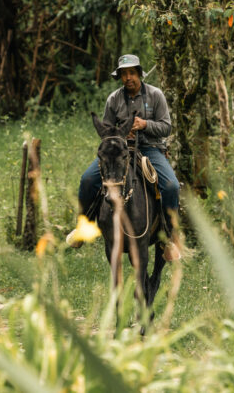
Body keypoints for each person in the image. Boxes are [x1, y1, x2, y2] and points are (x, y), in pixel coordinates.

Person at [66, 54, 181, 261]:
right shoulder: (114, 99)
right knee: (88, 180)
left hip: (151, 149)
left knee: (172, 186)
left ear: (139, 73)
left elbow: (166, 127)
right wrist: (120, 133)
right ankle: (83, 227)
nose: (128, 78)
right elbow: (106, 132)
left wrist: (145, 125)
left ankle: (168, 237)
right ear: (120, 77)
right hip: (119, 151)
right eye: (124, 74)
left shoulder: (156, 95)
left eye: (131, 73)